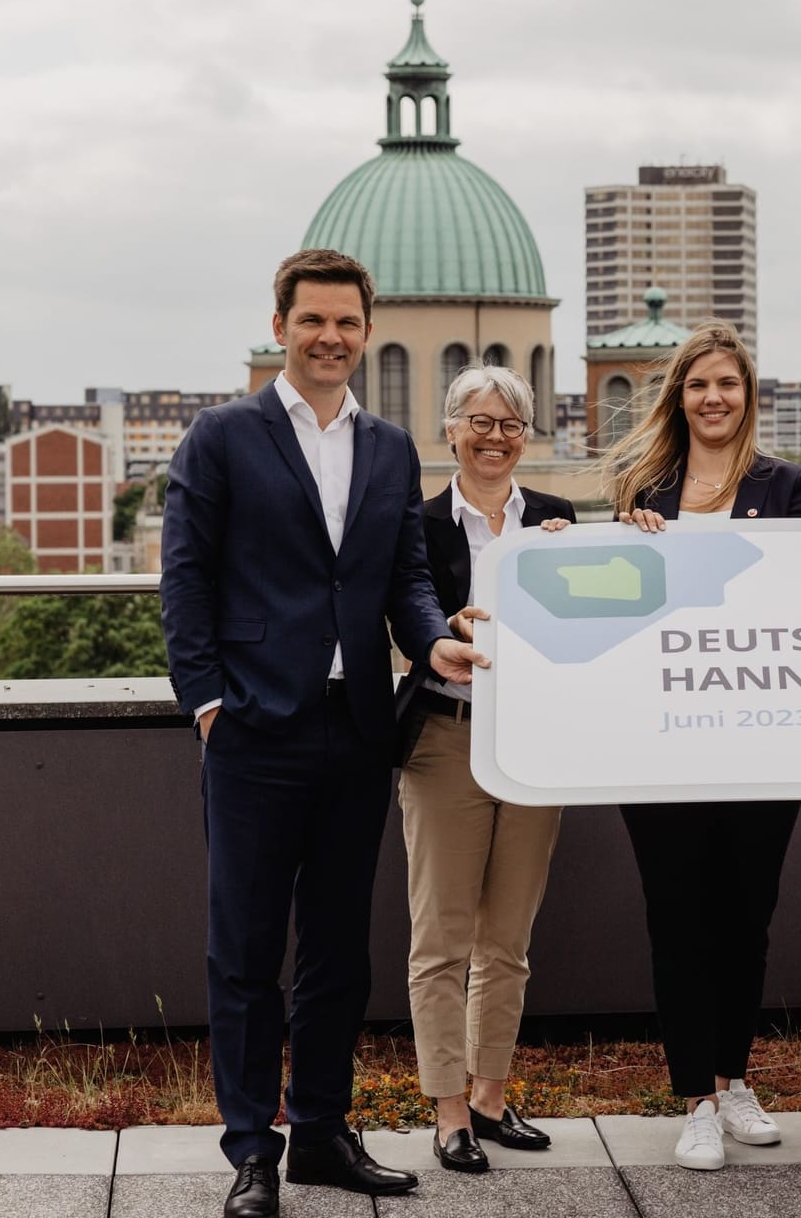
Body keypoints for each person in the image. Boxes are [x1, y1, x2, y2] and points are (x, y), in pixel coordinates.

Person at [161, 250, 488, 1218]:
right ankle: (252, 1149)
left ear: (365, 328)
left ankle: (321, 1132)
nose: (332, 338)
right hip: (255, 730)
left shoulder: (389, 447)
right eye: (314, 321)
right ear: (280, 323)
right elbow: (184, 581)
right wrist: (209, 702)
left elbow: (406, 582)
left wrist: (435, 646)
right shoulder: (221, 436)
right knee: (246, 949)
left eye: (348, 322)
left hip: (357, 732)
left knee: (340, 951)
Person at [596, 321, 801, 1172]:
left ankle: (734, 1080)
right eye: (699, 385)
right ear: (679, 396)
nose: (714, 398)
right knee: (678, 919)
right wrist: (596, 544)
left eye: (728, 384)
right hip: (660, 741)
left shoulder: (793, 487)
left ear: (747, 394)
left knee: (746, 918)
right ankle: (692, 1096)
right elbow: (608, 603)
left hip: (762, 738)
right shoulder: (638, 486)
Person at [392, 365, 574, 1174]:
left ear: (524, 436)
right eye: (478, 421)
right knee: (440, 938)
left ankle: (494, 1096)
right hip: (444, 740)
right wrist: (444, 628)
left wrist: (623, 543)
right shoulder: (418, 523)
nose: (494, 437)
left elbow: (594, 618)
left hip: (535, 743)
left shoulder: (560, 522)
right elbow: (403, 615)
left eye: (509, 424)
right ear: (451, 430)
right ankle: (449, 1109)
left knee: (509, 937)